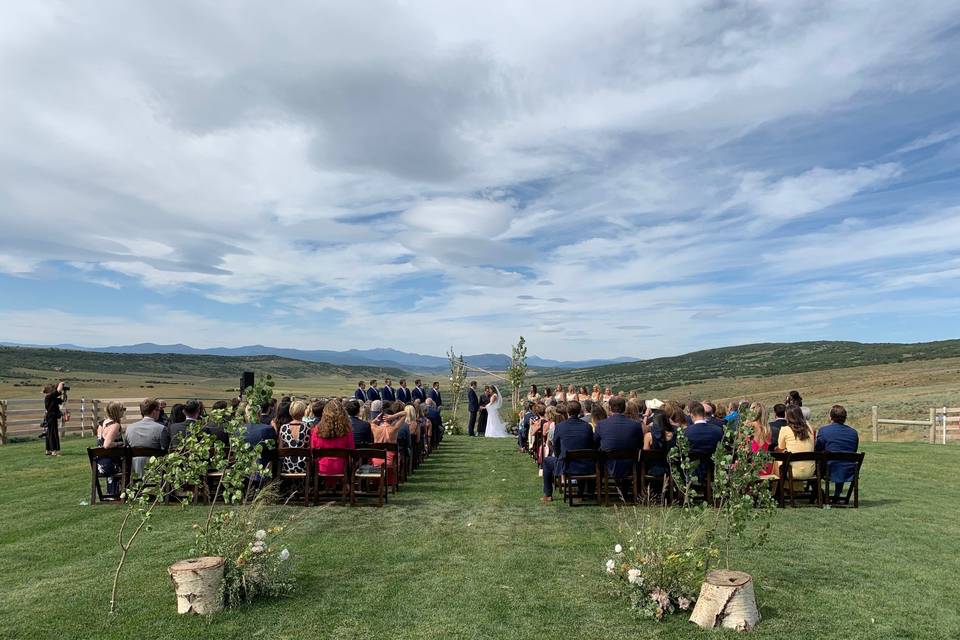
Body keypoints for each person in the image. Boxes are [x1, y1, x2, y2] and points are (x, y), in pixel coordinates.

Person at [541, 401, 595, 502]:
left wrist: (558, 457)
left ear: (567, 411)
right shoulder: (587, 426)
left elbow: (555, 446)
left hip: (566, 465)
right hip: (585, 464)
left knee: (547, 461)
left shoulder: (560, 426)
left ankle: (548, 494)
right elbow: (591, 445)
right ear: (580, 411)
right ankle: (582, 492)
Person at [815, 405, 860, 501]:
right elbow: (853, 451)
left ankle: (818, 493)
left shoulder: (824, 431)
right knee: (841, 460)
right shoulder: (853, 433)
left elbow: (817, 450)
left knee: (819, 463)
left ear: (831, 417)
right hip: (849, 470)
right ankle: (837, 494)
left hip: (829, 470)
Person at [594, 396, 643, 481]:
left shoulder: (601, 424)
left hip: (608, 464)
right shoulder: (635, 425)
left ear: (609, 408)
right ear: (624, 408)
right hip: (630, 464)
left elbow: (595, 442)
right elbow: (639, 443)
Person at [310, 399, 355, 485]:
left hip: (322, 467)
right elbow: (352, 450)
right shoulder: (347, 431)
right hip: (341, 467)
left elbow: (313, 449)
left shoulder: (317, 430)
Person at [125, 398, 170, 476]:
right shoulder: (161, 429)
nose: (159, 412)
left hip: (134, 469)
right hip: (155, 471)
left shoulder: (129, 428)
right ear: (153, 412)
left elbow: (126, 448)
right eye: (159, 410)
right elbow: (165, 450)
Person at [683, 402, 723, 482]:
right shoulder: (718, 431)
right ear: (704, 415)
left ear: (691, 415)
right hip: (712, 469)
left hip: (691, 471)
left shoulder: (686, 432)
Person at [775, 405, 816, 482]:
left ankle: (779, 490)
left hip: (792, 472)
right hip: (810, 471)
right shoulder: (809, 428)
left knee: (777, 461)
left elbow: (780, 449)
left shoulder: (785, 430)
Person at [96, 401, 126, 496]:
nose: (124, 411)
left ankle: (113, 494)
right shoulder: (115, 425)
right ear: (117, 412)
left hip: (100, 463)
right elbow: (107, 445)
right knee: (130, 464)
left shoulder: (102, 423)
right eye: (123, 409)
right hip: (110, 464)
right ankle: (121, 494)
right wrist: (119, 443)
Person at [277, 400, 310, 474]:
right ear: (303, 411)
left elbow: (280, 448)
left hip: (287, 466)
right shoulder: (308, 427)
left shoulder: (283, 428)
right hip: (304, 466)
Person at [745, 402, 773, 476]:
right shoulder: (767, 429)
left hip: (751, 469)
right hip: (766, 468)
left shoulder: (747, 427)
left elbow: (742, 449)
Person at [42, 382, 65, 456]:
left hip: (51, 417)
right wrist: (61, 384)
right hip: (51, 417)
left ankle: (48, 450)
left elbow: (61, 401)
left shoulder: (51, 397)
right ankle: (54, 451)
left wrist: (64, 394)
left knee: (49, 433)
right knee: (53, 433)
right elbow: (57, 392)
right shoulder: (49, 397)